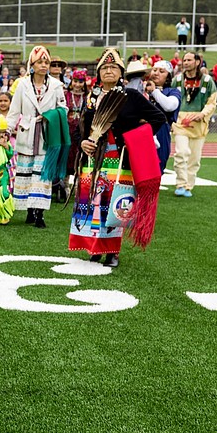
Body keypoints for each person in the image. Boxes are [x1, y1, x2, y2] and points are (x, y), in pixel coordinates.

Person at [70, 48, 166, 269]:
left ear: (121, 72)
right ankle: (95, 248)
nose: (109, 71)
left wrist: (134, 140)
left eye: (114, 67)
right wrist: (82, 142)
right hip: (93, 160)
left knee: (116, 205)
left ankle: (113, 252)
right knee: (93, 206)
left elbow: (158, 118)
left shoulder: (130, 96)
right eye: (105, 68)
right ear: (99, 73)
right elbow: (80, 128)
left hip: (119, 159)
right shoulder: (92, 98)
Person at [7, 45, 67, 228]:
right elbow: (14, 111)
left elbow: (63, 109)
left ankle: (39, 213)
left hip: (47, 134)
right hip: (27, 132)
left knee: (42, 175)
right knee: (25, 172)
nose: (44, 65)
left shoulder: (56, 86)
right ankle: (29, 210)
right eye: (40, 61)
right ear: (32, 64)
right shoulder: (22, 85)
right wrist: (7, 131)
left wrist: (49, 116)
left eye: (46, 62)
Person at [171, 51, 217, 198]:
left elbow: (212, 102)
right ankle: (180, 183)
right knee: (181, 152)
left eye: (189, 60)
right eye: (184, 60)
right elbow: (171, 99)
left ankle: (188, 186)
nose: (185, 63)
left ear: (197, 62)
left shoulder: (207, 81)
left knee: (194, 158)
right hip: (180, 121)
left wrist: (202, 114)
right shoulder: (177, 80)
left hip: (199, 123)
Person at [146, 60, 181, 171]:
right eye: (154, 70)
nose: (156, 73)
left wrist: (154, 91)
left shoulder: (172, 91)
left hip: (161, 130)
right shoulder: (141, 89)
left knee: (157, 167)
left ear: (168, 77)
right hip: (141, 130)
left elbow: (170, 106)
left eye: (162, 71)